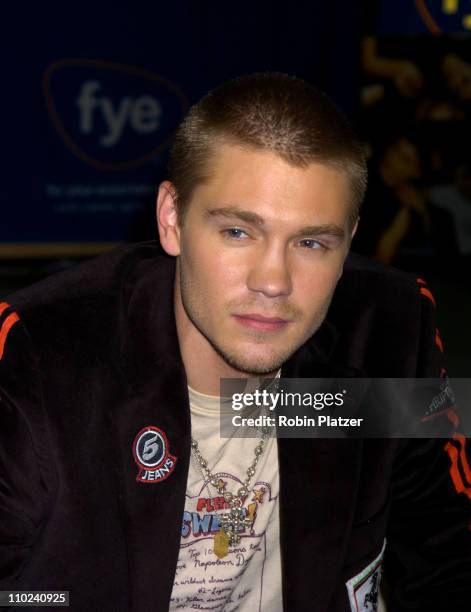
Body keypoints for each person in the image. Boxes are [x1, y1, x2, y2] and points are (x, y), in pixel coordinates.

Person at [0, 73, 470, 612]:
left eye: (312, 242)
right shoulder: (41, 359)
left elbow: (449, 554)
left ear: (350, 244)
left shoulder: (386, 333)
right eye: (238, 232)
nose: (273, 281)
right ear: (171, 219)